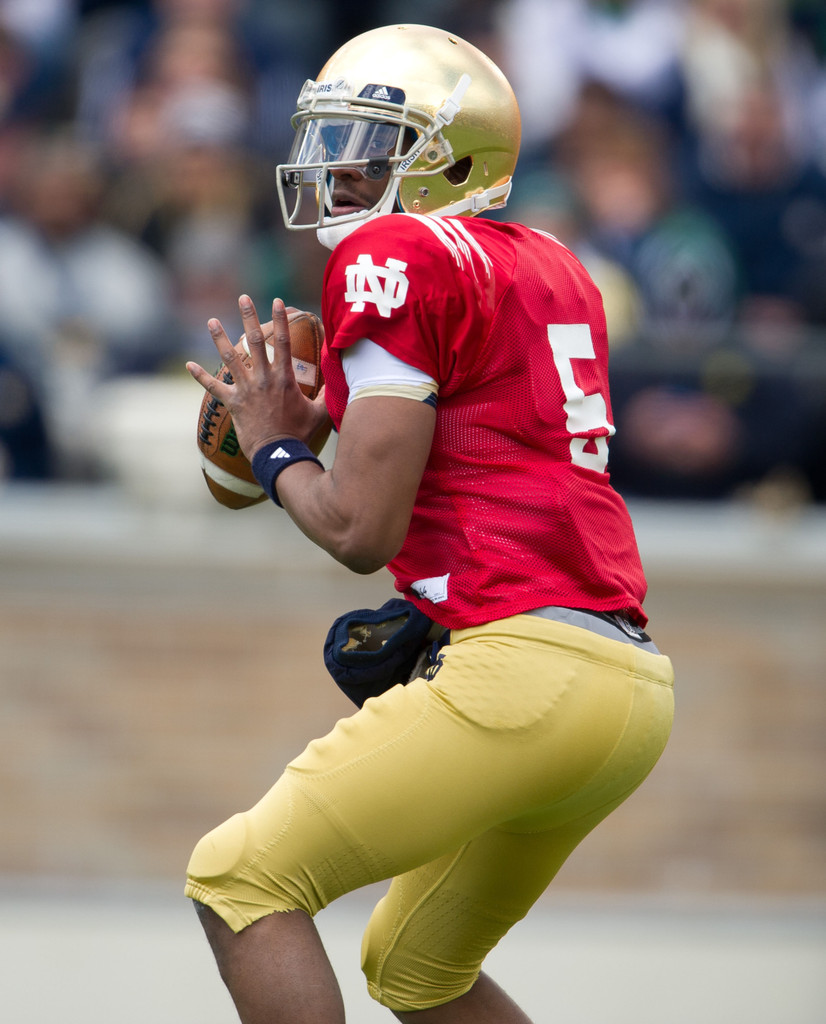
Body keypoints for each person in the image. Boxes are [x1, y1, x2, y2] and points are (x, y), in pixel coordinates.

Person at [184, 24, 675, 1023]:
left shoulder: (395, 252)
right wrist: (341, 419)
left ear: (449, 155)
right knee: (413, 964)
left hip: (519, 669)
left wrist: (279, 447)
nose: (336, 168)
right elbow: (481, 443)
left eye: (365, 141)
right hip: (623, 685)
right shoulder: (548, 260)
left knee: (240, 879)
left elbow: (360, 527)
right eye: (332, 140)